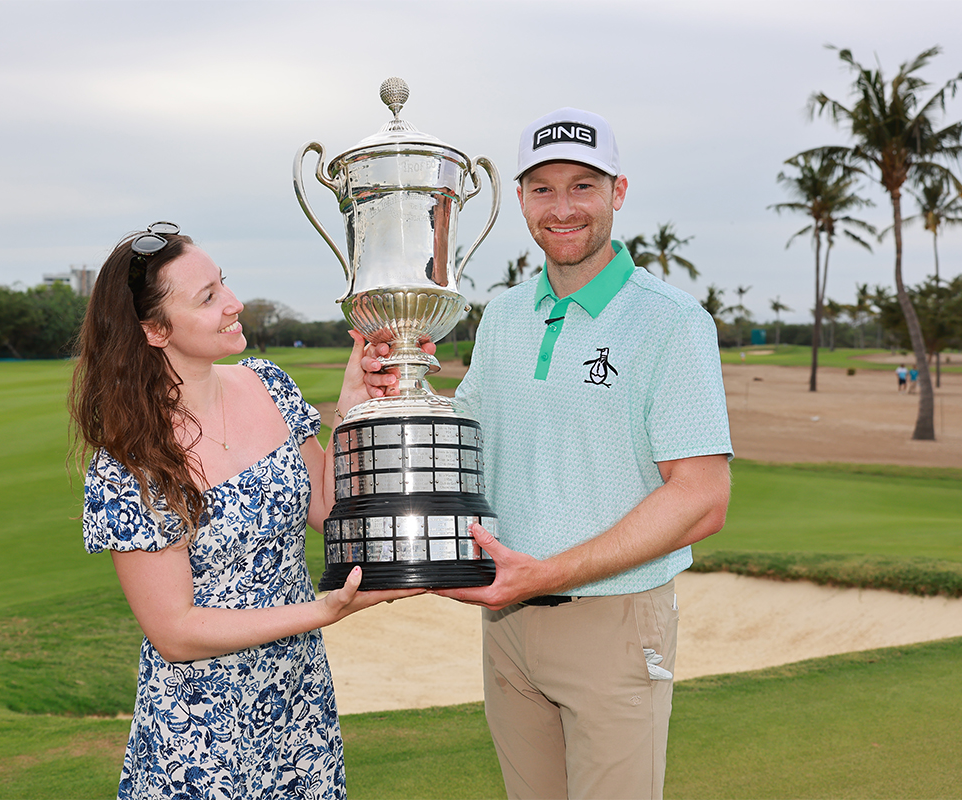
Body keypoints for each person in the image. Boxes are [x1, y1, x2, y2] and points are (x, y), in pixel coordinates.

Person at [435, 109, 733, 799]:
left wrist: (546, 573)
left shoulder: (673, 322)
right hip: (507, 626)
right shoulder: (505, 316)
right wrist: (390, 389)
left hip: (614, 619)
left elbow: (701, 499)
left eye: (582, 186)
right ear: (519, 200)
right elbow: (466, 438)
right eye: (541, 188)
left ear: (617, 193)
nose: (562, 208)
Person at [69, 222, 420, 800]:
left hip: (297, 701)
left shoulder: (268, 384)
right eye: (207, 298)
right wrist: (323, 611)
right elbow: (175, 633)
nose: (234, 304)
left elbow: (330, 508)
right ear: (155, 330)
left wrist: (352, 407)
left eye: (223, 284)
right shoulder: (131, 464)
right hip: (200, 732)